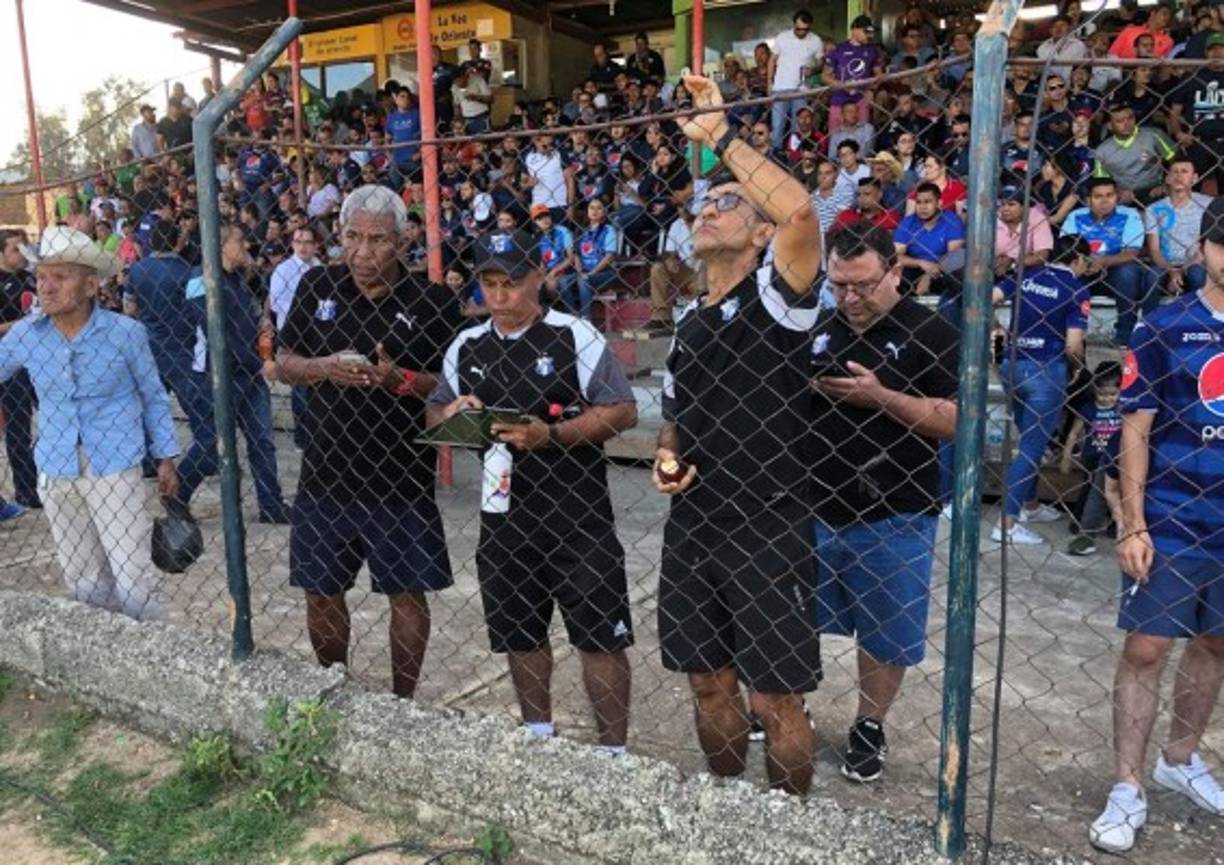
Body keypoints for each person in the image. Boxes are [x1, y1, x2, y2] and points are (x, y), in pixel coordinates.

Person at [655, 73, 824, 796]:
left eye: (728, 203)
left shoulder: (779, 301)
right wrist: (666, 455)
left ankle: (788, 824)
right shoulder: (689, 322)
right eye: (704, 201)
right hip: (694, 525)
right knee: (707, 683)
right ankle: (729, 807)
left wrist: (721, 137)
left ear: (758, 233)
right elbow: (672, 415)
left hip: (767, 525)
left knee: (777, 698)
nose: (710, 207)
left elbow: (801, 213)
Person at [426, 244, 638, 754]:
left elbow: (623, 410)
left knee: (599, 638)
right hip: (504, 518)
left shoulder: (572, 335)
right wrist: (456, 410)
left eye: (511, 284)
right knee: (520, 632)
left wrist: (555, 436)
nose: (499, 296)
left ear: (538, 278)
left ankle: (614, 752)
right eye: (490, 284)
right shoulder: (468, 345)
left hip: (576, 515)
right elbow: (434, 418)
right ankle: (537, 737)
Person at [276, 185, 463, 699]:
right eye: (352, 237)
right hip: (325, 473)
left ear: (403, 243)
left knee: (406, 595)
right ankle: (333, 688)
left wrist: (395, 379)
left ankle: (402, 702)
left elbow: (448, 386)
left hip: (399, 477)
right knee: (321, 591)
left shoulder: (434, 301)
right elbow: (284, 363)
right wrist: (323, 368)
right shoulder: (317, 287)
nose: (362, 253)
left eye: (377, 240)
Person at [1088, 195, 1224, 854]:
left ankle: (1180, 755)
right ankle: (1127, 784)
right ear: (1203, 249)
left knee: (1218, 642)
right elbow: (1133, 431)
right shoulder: (1165, 327)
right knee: (1146, 649)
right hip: (1173, 514)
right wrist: (1132, 522)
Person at [809, 221, 958, 782]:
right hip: (814, 505)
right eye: (838, 285)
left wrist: (881, 397)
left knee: (885, 632)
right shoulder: (819, 327)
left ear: (896, 271)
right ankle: (787, 704)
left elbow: (956, 420)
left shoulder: (932, 332)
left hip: (897, 512)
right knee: (795, 618)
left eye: (864, 285)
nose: (850, 299)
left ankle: (869, 723)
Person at [0, 227, 178, 619]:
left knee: (132, 571)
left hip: (115, 463)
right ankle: (103, 656)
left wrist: (165, 456)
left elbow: (152, 395)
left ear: (91, 285)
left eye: (60, 277)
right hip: (55, 464)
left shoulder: (125, 334)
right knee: (82, 573)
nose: (46, 287)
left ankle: (150, 652)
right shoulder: (28, 335)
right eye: (42, 276)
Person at [181, 225, 290, 524]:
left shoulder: (237, 280)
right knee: (210, 447)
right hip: (218, 377)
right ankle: (177, 494)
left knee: (262, 441)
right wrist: (257, 361)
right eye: (239, 241)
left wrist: (262, 326)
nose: (246, 247)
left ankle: (271, 504)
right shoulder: (199, 281)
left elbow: (246, 323)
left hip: (249, 374)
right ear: (220, 245)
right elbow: (216, 334)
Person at [989, 236, 1090, 545]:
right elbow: (1074, 345)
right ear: (1078, 260)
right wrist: (1076, 369)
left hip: (1012, 366)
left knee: (1028, 440)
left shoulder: (1025, 276)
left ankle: (1030, 504)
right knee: (1033, 447)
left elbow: (985, 298)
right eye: (1087, 261)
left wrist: (997, 329)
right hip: (1046, 371)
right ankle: (1007, 523)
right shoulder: (1077, 290)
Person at [1062, 177, 1148, 346]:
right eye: (1098, 196)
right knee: (1065, 273)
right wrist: (1086, 263)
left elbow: (1132, 252)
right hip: (1082, 268)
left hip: (1115, 269)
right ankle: (1070, 330)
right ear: (1088, 200)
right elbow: (1066, 250)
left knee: (1129, 272)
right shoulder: (1075, 216)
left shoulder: (1129, 215)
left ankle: (1124, 332)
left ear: (1117, 197)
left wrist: (1103, 262)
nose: (1104, 201)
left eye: (1109, 195)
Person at [1060, 361, 1124, 557]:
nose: (1107, 399)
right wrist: (1066, 456)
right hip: (1093, 457)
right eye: (1102, 394)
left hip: (1116, 458)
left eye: (1113, 394)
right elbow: (1073, 433)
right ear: (1094, 389)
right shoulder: (1088, 409)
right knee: (1089, 492)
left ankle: (1115, 525)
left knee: (1118, 493)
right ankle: (1080, 523)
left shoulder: (1123, 408)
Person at [268, 225, 323, 450]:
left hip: (318, 333)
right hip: (294, 334)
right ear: (292, 244)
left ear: (315, 245)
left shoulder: (320, 268)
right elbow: (277, 302)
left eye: (307, 242)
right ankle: (302, 438)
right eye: (299, 242)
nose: (303, 246)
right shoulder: (283, 270)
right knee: (300, 388)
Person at [0, 230, 39, 509]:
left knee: (56, 419)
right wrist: (20, 325)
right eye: (15, 249)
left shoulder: (30, 278)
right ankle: (26, 489)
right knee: (18, 428)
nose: (21, 253)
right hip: (10, 365)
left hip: (40, 359)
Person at [1144, 156, 1212, 299]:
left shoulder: (1209, 205)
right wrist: (1171, 271)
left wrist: (1183, 270)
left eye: (1184, 172)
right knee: (1152, 277)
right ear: (1167, 178)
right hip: (1164, 264)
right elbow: (1154, 250)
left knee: (1197, 274)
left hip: (1197, 262)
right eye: (1174, 172)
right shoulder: (1154, 209)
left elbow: (1207, 246)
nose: (1179, 176)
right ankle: (1148, 320)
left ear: (1195, 178)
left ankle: (1199, 319)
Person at [1093, 103, 1177, 206]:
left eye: (1130, 118)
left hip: (1154, 187)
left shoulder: (1152, 136)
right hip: (1122, 193)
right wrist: (1118, 192)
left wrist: (1166, 184)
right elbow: (1101, 181)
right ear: (1110, 126)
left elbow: (1176, 159)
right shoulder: (1102, 151)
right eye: (1119, 121)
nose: (1126, 123)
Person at [894, 182, 966, 298]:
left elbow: (955, 255)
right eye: (919, 202)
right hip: (917, 268)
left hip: (944, 269)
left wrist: (929, 275)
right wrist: (920, 263)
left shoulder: (952, 220)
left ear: (939, 203)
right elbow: (895, 256)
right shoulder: (908, 223)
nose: (922, 207)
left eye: (928, 202)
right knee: (899, 271)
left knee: (958, 264)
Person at [767, 10, 825, 150]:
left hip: (801, 89)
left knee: (798, 126)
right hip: (780, 88)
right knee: (778, 125)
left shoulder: (816, 40)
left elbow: (821, 63)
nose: (801, 32)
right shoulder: (782, 37)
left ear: (810, 27)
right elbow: (772, 60)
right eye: (798, 29)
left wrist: (813, 70)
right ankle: (776, 156)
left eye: (805, 30)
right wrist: (769, 83)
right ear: (794, 24)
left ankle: (796, 156)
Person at [823, 16, 885, 135]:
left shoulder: (872, 50)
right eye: (866, 32)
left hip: (860, 99)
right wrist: (842, 86)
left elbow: (879, 74)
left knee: (861, 136)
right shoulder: (838, 49)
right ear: (854, 30)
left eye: (871, 32)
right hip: (839, 100)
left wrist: (871, 89)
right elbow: (825, 76)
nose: (870, 36)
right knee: (836, 136)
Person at [559, 200, 619, 321]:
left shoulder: (609, 230)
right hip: (586, 273)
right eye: (592, 208)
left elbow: (609, 257)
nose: (595, 211)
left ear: (604, 212)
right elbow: (576, 255)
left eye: (599, 208)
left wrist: (592, 273)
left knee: (583, 280)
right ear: (587, 212)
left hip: (606, 273)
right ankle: (571, 317)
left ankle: (587, 320)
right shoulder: (582, 231)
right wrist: (579, 270)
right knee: (563, 281)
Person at [646, 206, 700, 335]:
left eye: (686, 207)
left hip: (706, 271)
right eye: (681, 208)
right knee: (658, 268)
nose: (683, 211)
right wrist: (670, 259)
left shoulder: (705, 222)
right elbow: (669, 250)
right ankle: (660, 319)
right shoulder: (677, 224)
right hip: (685, 270)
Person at [995, 184, 1054, 279]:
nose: (1005, 209)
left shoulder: (1037, 218)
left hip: (1024, 271)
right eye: (1002, 204)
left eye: (1011, 204)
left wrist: (1013, 261)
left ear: (1024, 206)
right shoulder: (992, 217)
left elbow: (1042, 255)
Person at [1036, 15, 1091, 83]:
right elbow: (1042, 71)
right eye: (1055, 26)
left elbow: (1083, 69)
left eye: (1062, 25)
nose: (1058, 28)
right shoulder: (1042, 48)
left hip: (1072, 86)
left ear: (1069, 28)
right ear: (1050, 31)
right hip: (1049, 87)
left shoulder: (1079, 45)